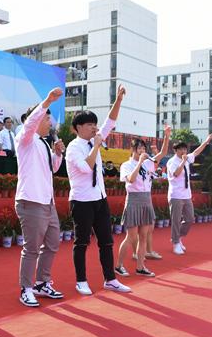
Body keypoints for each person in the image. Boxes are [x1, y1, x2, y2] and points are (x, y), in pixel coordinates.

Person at [66, 84, 130, 295]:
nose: (94, 128)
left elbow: (110, 122)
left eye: (95, 124)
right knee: (82, 243)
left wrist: (118, 100)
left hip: (100, 199)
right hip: (81, 201)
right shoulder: (74, 147)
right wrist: (95, 146)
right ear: (78, 128)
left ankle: (110, 279)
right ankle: (81, 281)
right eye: (89, 125)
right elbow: (86, 168)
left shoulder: (96, 139)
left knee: (107, 242)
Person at [15, 88, 66, 307]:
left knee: (52, 243)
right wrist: (47, 101)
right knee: (32, 248)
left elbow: (52, 169)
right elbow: (30, 124)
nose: (50, 124)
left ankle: (42, 283)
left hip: (47, 202)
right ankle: (25, 289)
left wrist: (58, 154)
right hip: (31, 200)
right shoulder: (25, 138)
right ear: (35, 119)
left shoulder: (44, 143)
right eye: (46, 119)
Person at [116, 128, 171, 278]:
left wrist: (166, 137)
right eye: (139, 148)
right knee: (131, 236)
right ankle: (119, 266)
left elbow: (163, 153)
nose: (142, 151)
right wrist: (140, 162)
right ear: (132, 149)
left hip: (146, 199)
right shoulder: (126, 165)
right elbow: (131, 179)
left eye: (143, 148)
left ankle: (140, 267)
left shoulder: (148, 164)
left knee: (144, 236)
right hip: (134, 199)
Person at [166, 134, 212, 255]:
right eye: (181, 149)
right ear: (175, 150)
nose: (183, 151)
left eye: (185, 149)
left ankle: (178, 237)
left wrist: (206, 141)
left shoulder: (187, 158)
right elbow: (176, 174)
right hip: (176, 195)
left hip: (187, 195)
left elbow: (197, 152)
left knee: (190, 218)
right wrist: (183, 162)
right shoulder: (172, 162)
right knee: (176, 220)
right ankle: (176, 244)